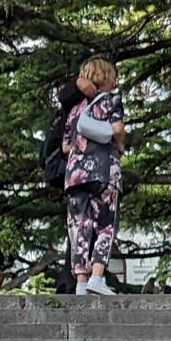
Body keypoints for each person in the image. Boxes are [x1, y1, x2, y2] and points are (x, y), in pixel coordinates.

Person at [61, 56, 124, 296]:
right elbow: (117, 129)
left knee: (79, 228)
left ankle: (80, 282)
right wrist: (120, 143)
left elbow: (66, 147)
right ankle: (97, 278)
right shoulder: (111, 101)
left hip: (75, 177)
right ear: (106, 77)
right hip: (104, 172)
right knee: (106, 225)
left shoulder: (75, 110)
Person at [41, 75, 86, 293]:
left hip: (69, 172)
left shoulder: (65, 112)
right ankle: (71, 282)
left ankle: (71, 281)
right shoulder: (75, 105)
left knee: (78, 227)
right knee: (81, 227)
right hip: (75, 171)